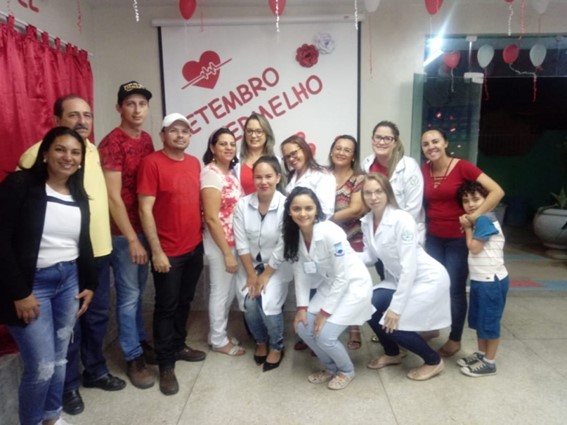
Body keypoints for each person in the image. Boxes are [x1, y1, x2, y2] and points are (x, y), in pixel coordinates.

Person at [18, 94, 125, 415]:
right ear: (57, 121)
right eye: (74, 115)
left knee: (97, 317)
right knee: (68, 331)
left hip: (95, 252)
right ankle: (67, 387)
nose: (82, 121)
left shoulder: (90, 151)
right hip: (57, 262)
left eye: (87, 115)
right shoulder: (35, 156)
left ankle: (95, 371)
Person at [0, 127, 97, 425]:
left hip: (68, 281)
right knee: (41, 366)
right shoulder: (20, 185)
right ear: (45, 153)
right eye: (60, 149)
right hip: (31, 286)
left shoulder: (78, 194)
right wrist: (20, 293)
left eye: (75, 152)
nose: (68, 157)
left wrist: (90, 283)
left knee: (59, 359)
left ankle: (52, 417)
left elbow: (83, 242)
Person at [138, 113, 207, 395]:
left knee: (184, 301)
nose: (180, 135)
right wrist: (156, 251)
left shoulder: (194, 163)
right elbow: (145, 209)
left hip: (194, 247)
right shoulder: (151, 163)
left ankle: (178, 345)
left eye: (185, 131)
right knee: (166, 307)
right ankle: (166, 364)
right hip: (168, 252)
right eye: (174, 130)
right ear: (162, 135)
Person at [421, 128, 504, 358]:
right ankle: (432, 327)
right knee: (434, 285)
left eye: (435, 141)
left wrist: (475, 216)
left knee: (455, 289)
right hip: (433, 237)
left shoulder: (463, 167)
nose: (431, 147)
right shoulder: (424, 170)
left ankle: (454, 339)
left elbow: (497, 191)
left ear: (446, 143)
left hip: (457, 239)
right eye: (426, 144)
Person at [359, 173, 451, 381]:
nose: (373, 197)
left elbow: (409, 266)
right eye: (368, 193)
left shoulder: (402, 219)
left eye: (378, 191)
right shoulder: (367, 221)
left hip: (428, 279)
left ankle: (433, 361)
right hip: (400, 280)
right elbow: (371, 256)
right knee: (367, 306)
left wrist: (396, 308)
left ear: (387, 193)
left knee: (393, 323)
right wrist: (344, 256)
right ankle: (393, 353)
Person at [284, 187, 374, 390]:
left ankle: (347, 370)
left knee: (325, 336)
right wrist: (302, 308)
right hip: (331, 285)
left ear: (316, 209)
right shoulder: (294, 235)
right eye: (297, 209)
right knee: (303, 328)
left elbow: (343, 277)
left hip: (353, 286)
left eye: (308, 208)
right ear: (289, 211)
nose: (303, 213)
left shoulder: (331, 232)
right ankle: (331, 368)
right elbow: (300, 273)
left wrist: (324, 313)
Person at [98, 81, 156, 389]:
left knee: (138, 292)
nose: (136, 110)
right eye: (130, 104)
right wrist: (132, 238)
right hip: (123, 235)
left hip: (144, 228)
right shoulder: (112, 143)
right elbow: (113, 197)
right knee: (129, 295)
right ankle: (132, 356)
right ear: (119, 108)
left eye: (142, 104)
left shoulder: (146, 139)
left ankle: (141, 342)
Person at [233, 156, 293, 371]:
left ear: (278, 177)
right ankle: (260, 341)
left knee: (269, 305)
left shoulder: (287, 205)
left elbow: (283, 244)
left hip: (276, 266)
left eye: (268, 176)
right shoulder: (243, 204)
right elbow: (241, 243)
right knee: (249, 303)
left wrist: (265, 275)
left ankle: (277, 346)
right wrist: (251, 275)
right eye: (258, 177)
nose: (263, 181)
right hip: (249, 265)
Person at [456, 180, 509, 377]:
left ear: (487, 200)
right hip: (480, 280)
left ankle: (489, 362)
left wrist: (467, 227)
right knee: (480, 320)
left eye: (476, 199)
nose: (471, 204)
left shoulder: (485, 220)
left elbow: (474, 248)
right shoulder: (479, 220)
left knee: (489, 322)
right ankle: (481, 354)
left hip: (491, 281)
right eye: (466, 200)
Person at [201, 128, 245, 356]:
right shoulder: (211, 174)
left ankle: (217, 334)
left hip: (233, 240)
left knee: (228, 292)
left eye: (232, 144)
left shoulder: (230, 172)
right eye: (222, 143)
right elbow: (211, 217)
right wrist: (227, 253)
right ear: (212, 148)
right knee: (220, 291)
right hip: (220, 243)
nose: (228, 147)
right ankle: (218, 340)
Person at [327, 135, 366, 350]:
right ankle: (325, 323)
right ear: (332, 151)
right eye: (338, 148)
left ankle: (354, 327)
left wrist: (324, 219)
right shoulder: (322, 175)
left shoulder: (359, 178)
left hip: (352, 238)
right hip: (326, 240)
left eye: (347, 150)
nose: (341, 152)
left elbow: (356, 209)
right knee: (327, 282)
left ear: (353, 156)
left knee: (352, 284)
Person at [361, 121, 425, 243]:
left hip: (404, 232)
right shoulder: (367, 164)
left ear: (395, 142)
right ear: (372, 139)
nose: (381, 142)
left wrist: (390, 231)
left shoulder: (409, 166)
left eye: (387, 138)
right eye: (378, 137)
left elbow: (413, 207)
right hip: (376, 228)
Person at [281, 134, 335, 219]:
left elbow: (326, 211)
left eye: (294, 153)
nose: (291, 159)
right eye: (287, 157)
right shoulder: (291, 176)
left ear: (305, 150)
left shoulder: (322, 175)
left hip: (313, 225)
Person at [236, 113, 277, 195]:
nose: (253, 135)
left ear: (267, 134)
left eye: (259, 131)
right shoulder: (235, 160)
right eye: (249, 131)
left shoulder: (277, 161)